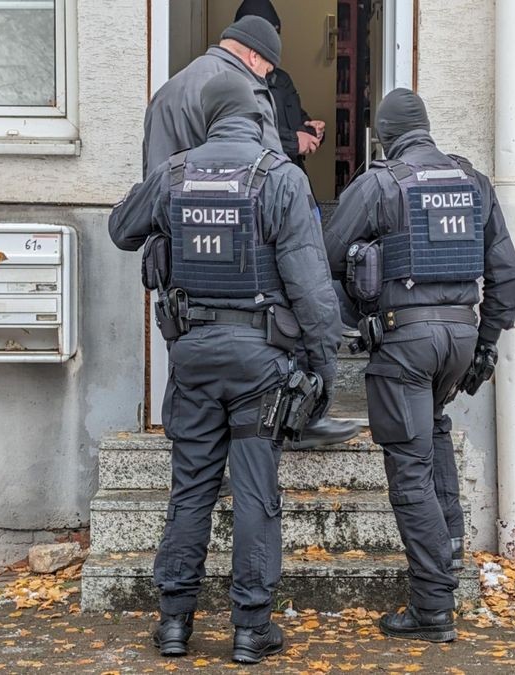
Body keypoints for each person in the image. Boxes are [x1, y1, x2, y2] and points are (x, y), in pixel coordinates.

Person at [110, 72, 343, 664]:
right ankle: (250, 628)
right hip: (261, 363)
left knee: (190, 488)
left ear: (208, 119)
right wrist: (322, 372)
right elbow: (313, 293)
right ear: (257, 116)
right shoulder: (281, 178)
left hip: (191, 357)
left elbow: (120, 230)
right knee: (256, 492)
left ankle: (173, 625)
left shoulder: (175, 173)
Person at [323, 89, 515, 642]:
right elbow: (508, 279)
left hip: (404, 343)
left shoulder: (379, 184)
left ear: (384, 136)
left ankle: (433, 607)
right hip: (458, 339)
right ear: (427, 128)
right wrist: (483, 346)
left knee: (409, 471)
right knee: (433, 438)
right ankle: (449, 561)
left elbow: (323, 260)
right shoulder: (473, 182)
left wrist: (357, 321)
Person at [142, 15, 284, 177]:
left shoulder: (163, 93)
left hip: (165, 201)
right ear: (254, 57)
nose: (264, 79)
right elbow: (275, 174)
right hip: (225, 200)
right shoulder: (248, 93)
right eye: (267, 71)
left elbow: (149, 169)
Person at [234, 0, 327, 170]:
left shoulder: (281, 79)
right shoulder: (231, 81)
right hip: (254, 180)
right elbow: (242, 135)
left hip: (291, 176)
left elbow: (298, 118)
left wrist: (313, 130)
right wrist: (294, 141)